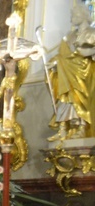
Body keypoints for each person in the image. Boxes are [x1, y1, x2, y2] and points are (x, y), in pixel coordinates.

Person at [47, 4, 95, 141]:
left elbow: (91, 51)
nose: (71, 18)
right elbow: (62, 54)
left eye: (74, 15)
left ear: (84, 15)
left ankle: (82, 128)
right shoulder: (69, 36)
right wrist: (55, 63)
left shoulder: (92, 33)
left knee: (80, 100)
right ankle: (63, 129)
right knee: (65, 98)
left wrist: (83, 51)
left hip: (83, 74)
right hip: (67, 72)